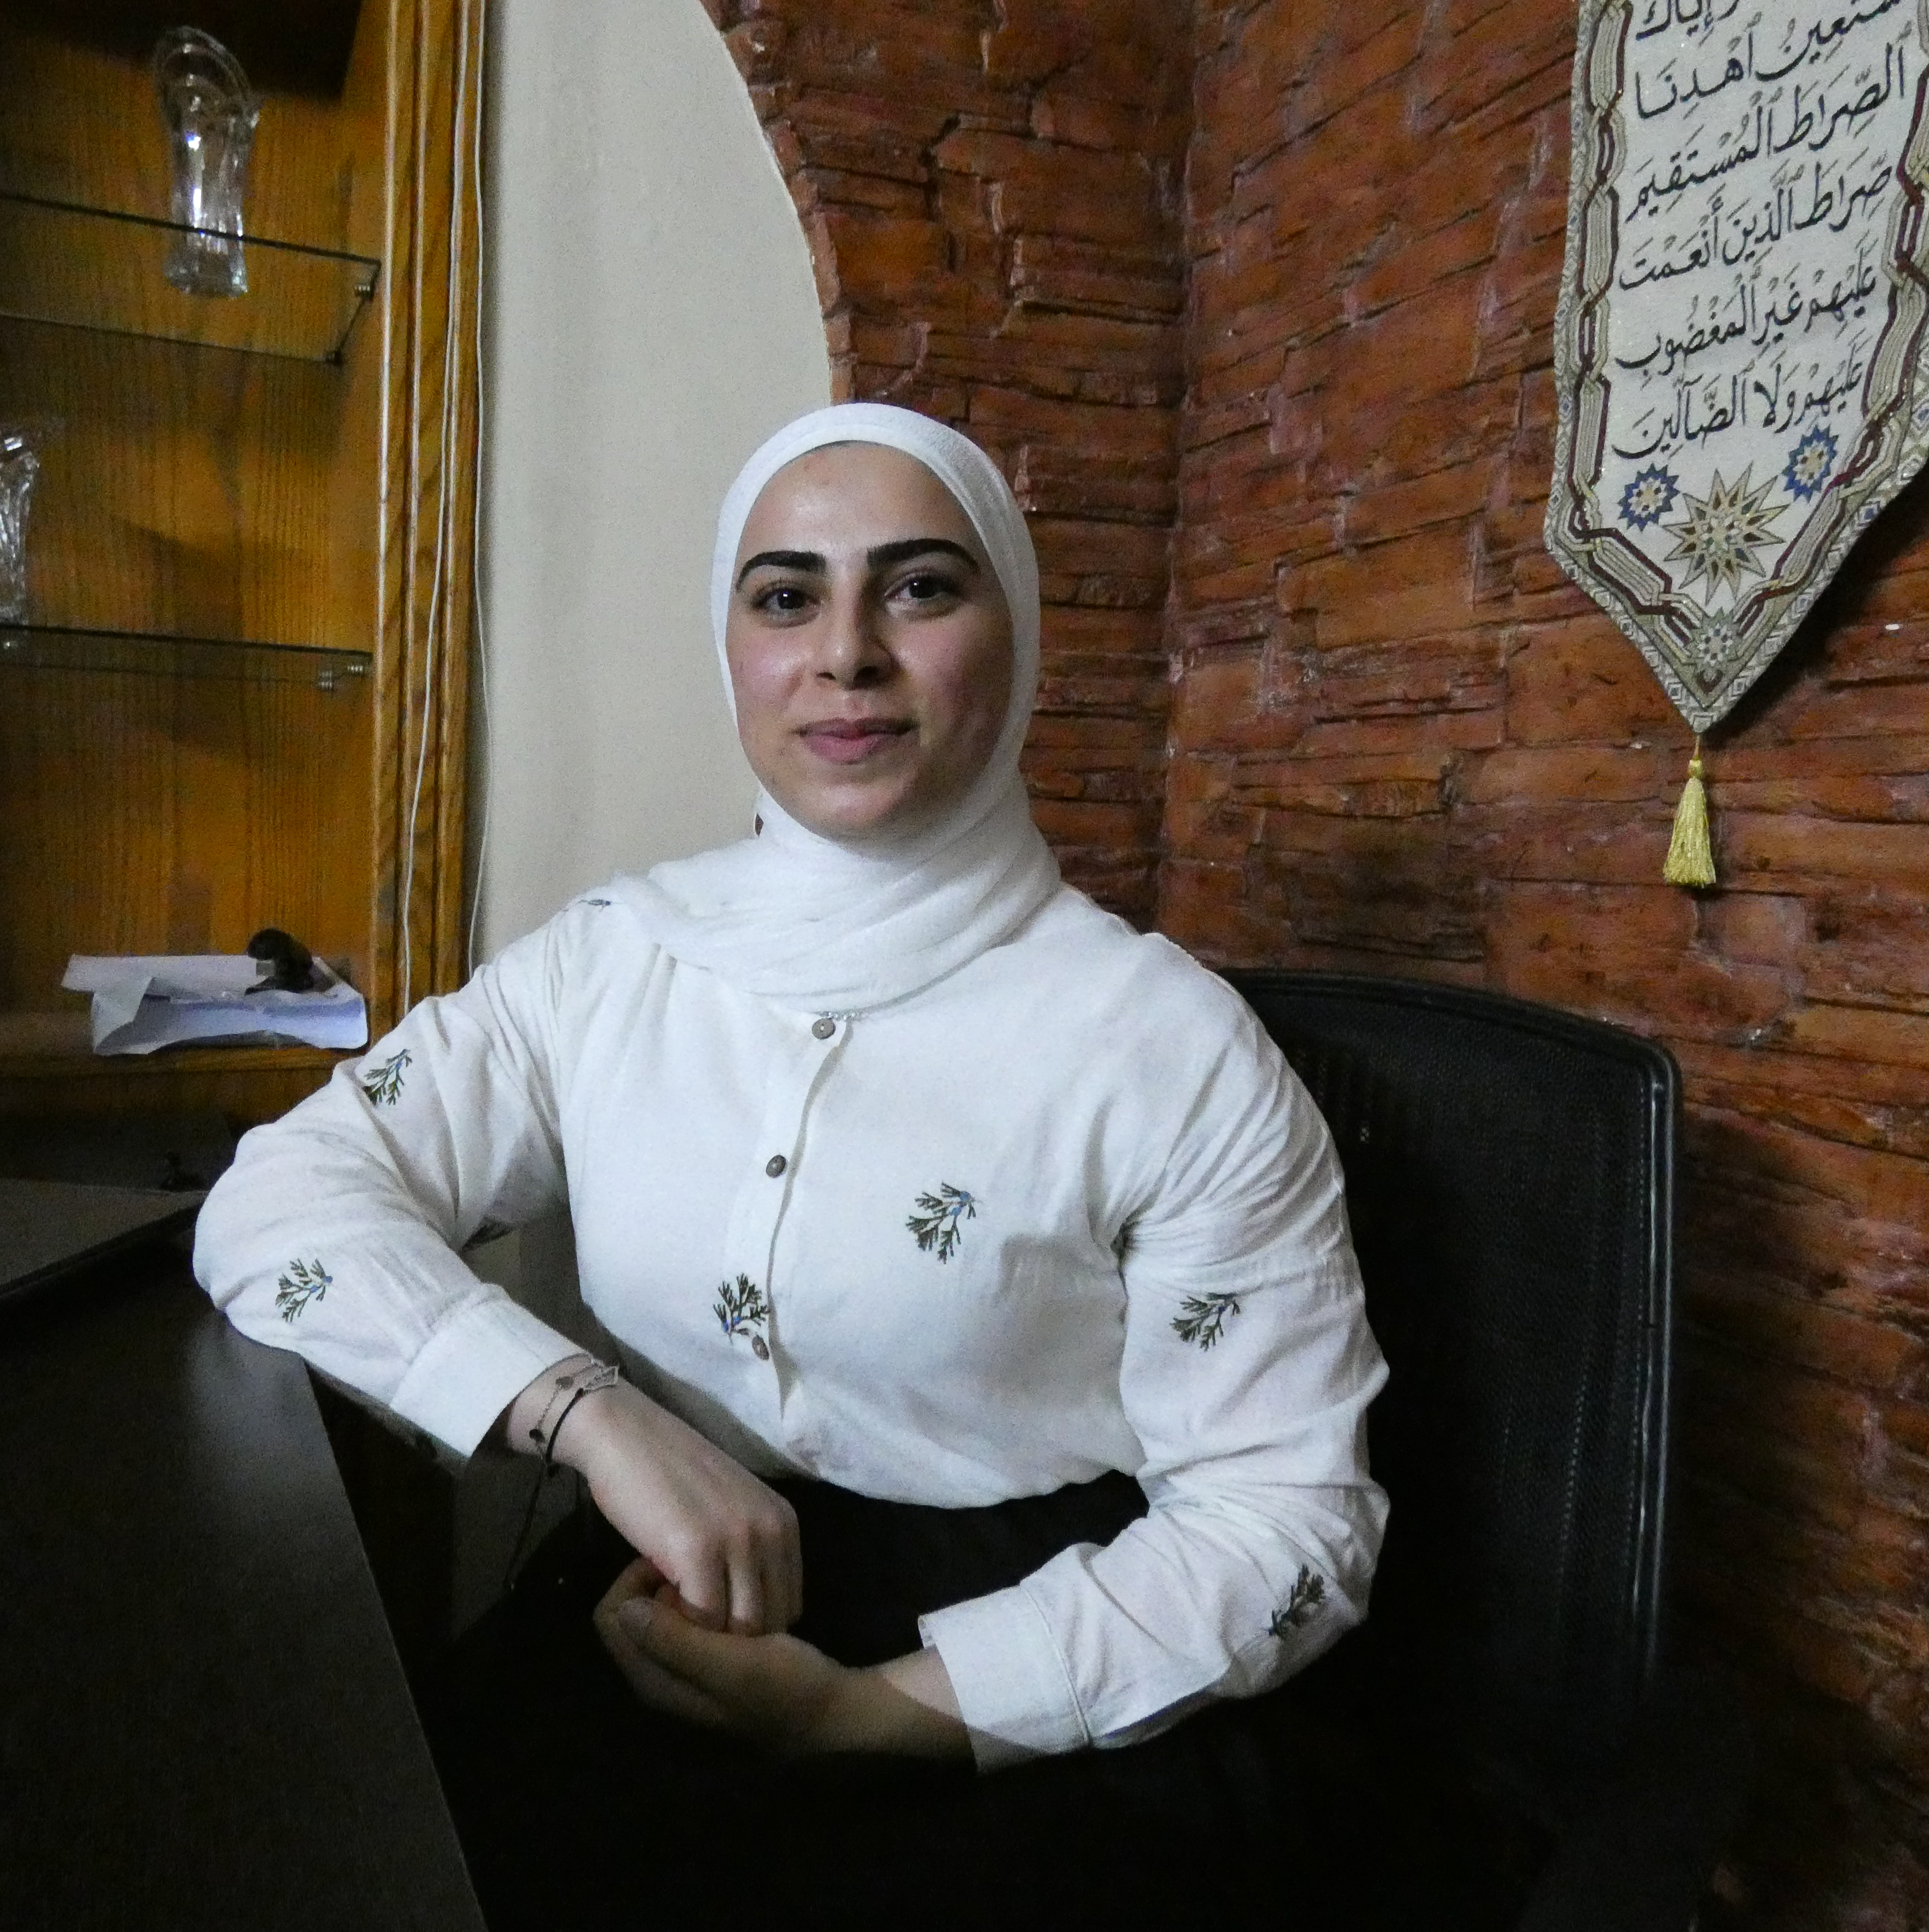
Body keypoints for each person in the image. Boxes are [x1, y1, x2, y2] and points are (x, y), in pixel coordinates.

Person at [194, 403, 1387, 1928]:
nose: (845, 654)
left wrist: (865, 1718)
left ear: (1010, 636)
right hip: (664, 1609)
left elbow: (1293, 1522)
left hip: (1029, 1681)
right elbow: (277, 1201)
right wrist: (589, 1415)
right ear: (734, 645)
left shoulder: (1168, 1049)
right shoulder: (615, 962)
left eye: (920, 586)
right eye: (786, 596)